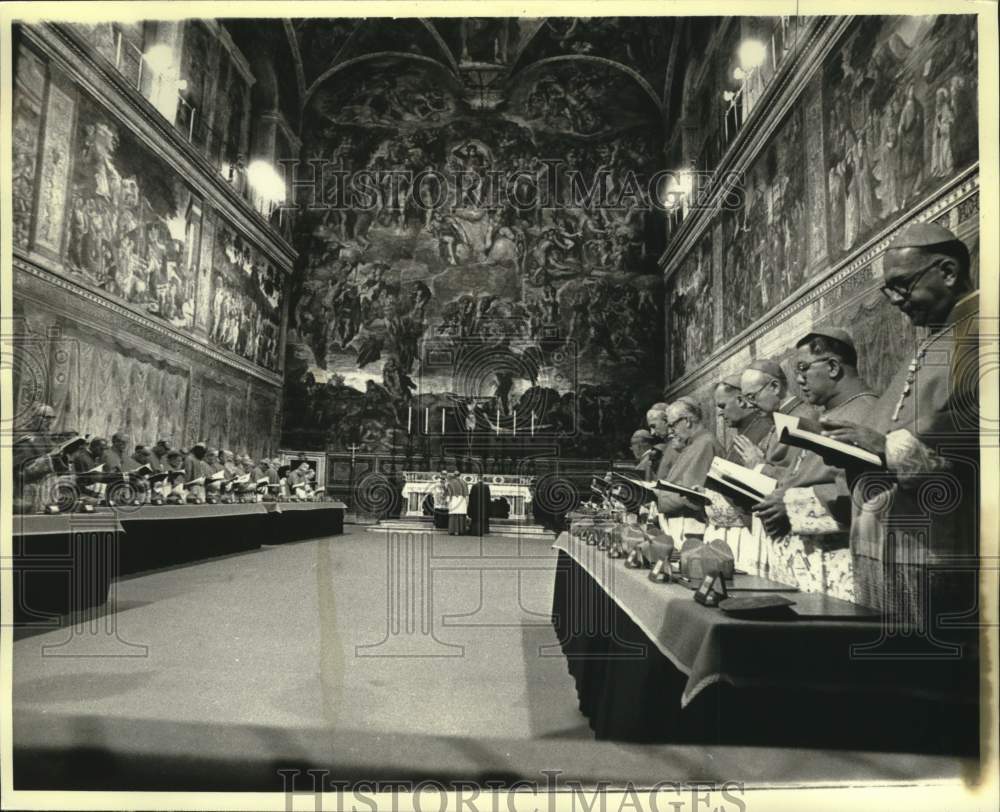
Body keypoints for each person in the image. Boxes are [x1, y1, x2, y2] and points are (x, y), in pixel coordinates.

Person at [819, 223, 979, 626]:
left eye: (902, 285)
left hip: (935, 553)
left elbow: (973, 451)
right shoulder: (937, 337)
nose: (895, 300)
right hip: (892, 553)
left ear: (947, 272)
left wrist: (882, 447)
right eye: (887, 290)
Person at [750, 328, 880, 598]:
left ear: (833, 367)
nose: (798, 380)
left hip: (835, 564)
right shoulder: (826, 414)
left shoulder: (867, 412)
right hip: (806, 561)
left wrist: (788, 504)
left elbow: (864, 492)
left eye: (803, 369)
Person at [652, 397, 723, 540]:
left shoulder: (705, 443)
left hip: (691, 525)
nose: (671, 431)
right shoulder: (694, 443)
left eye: (673, 425)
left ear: (687, 421)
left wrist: (656, 495)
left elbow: (691, 494)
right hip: (681, 522)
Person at [736, 358, 816, 474]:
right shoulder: (779, 419)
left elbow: (802, 478)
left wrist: (758, 466)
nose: (748, 405)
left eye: (751, 397)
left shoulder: (803, 421)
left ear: (775, 387)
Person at [446, 470, 469, 535]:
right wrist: (467, 503)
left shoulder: (450, 483)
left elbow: (449, 493)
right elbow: (467, 494)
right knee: (461, 515)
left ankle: (453, 530)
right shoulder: (464, 482)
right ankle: (461, 531)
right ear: (460, 475)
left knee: (453, 515)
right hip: (462, 500)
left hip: (453, 499)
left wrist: (448, 502)